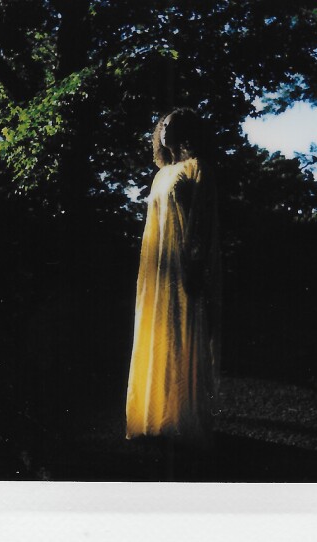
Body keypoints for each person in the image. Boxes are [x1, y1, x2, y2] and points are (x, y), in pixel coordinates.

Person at [125, 107, 220, 441]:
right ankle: (155, 416)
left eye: (173, 125)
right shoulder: (161, 174)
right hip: (157, 266)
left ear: (187, 131)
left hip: (183, 264)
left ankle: (184, 417)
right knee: (160, 333)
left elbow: (202, 222)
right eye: (163, 125)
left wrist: (195, 263)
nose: (166, 129)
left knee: (183, 335)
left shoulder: (197, 168)